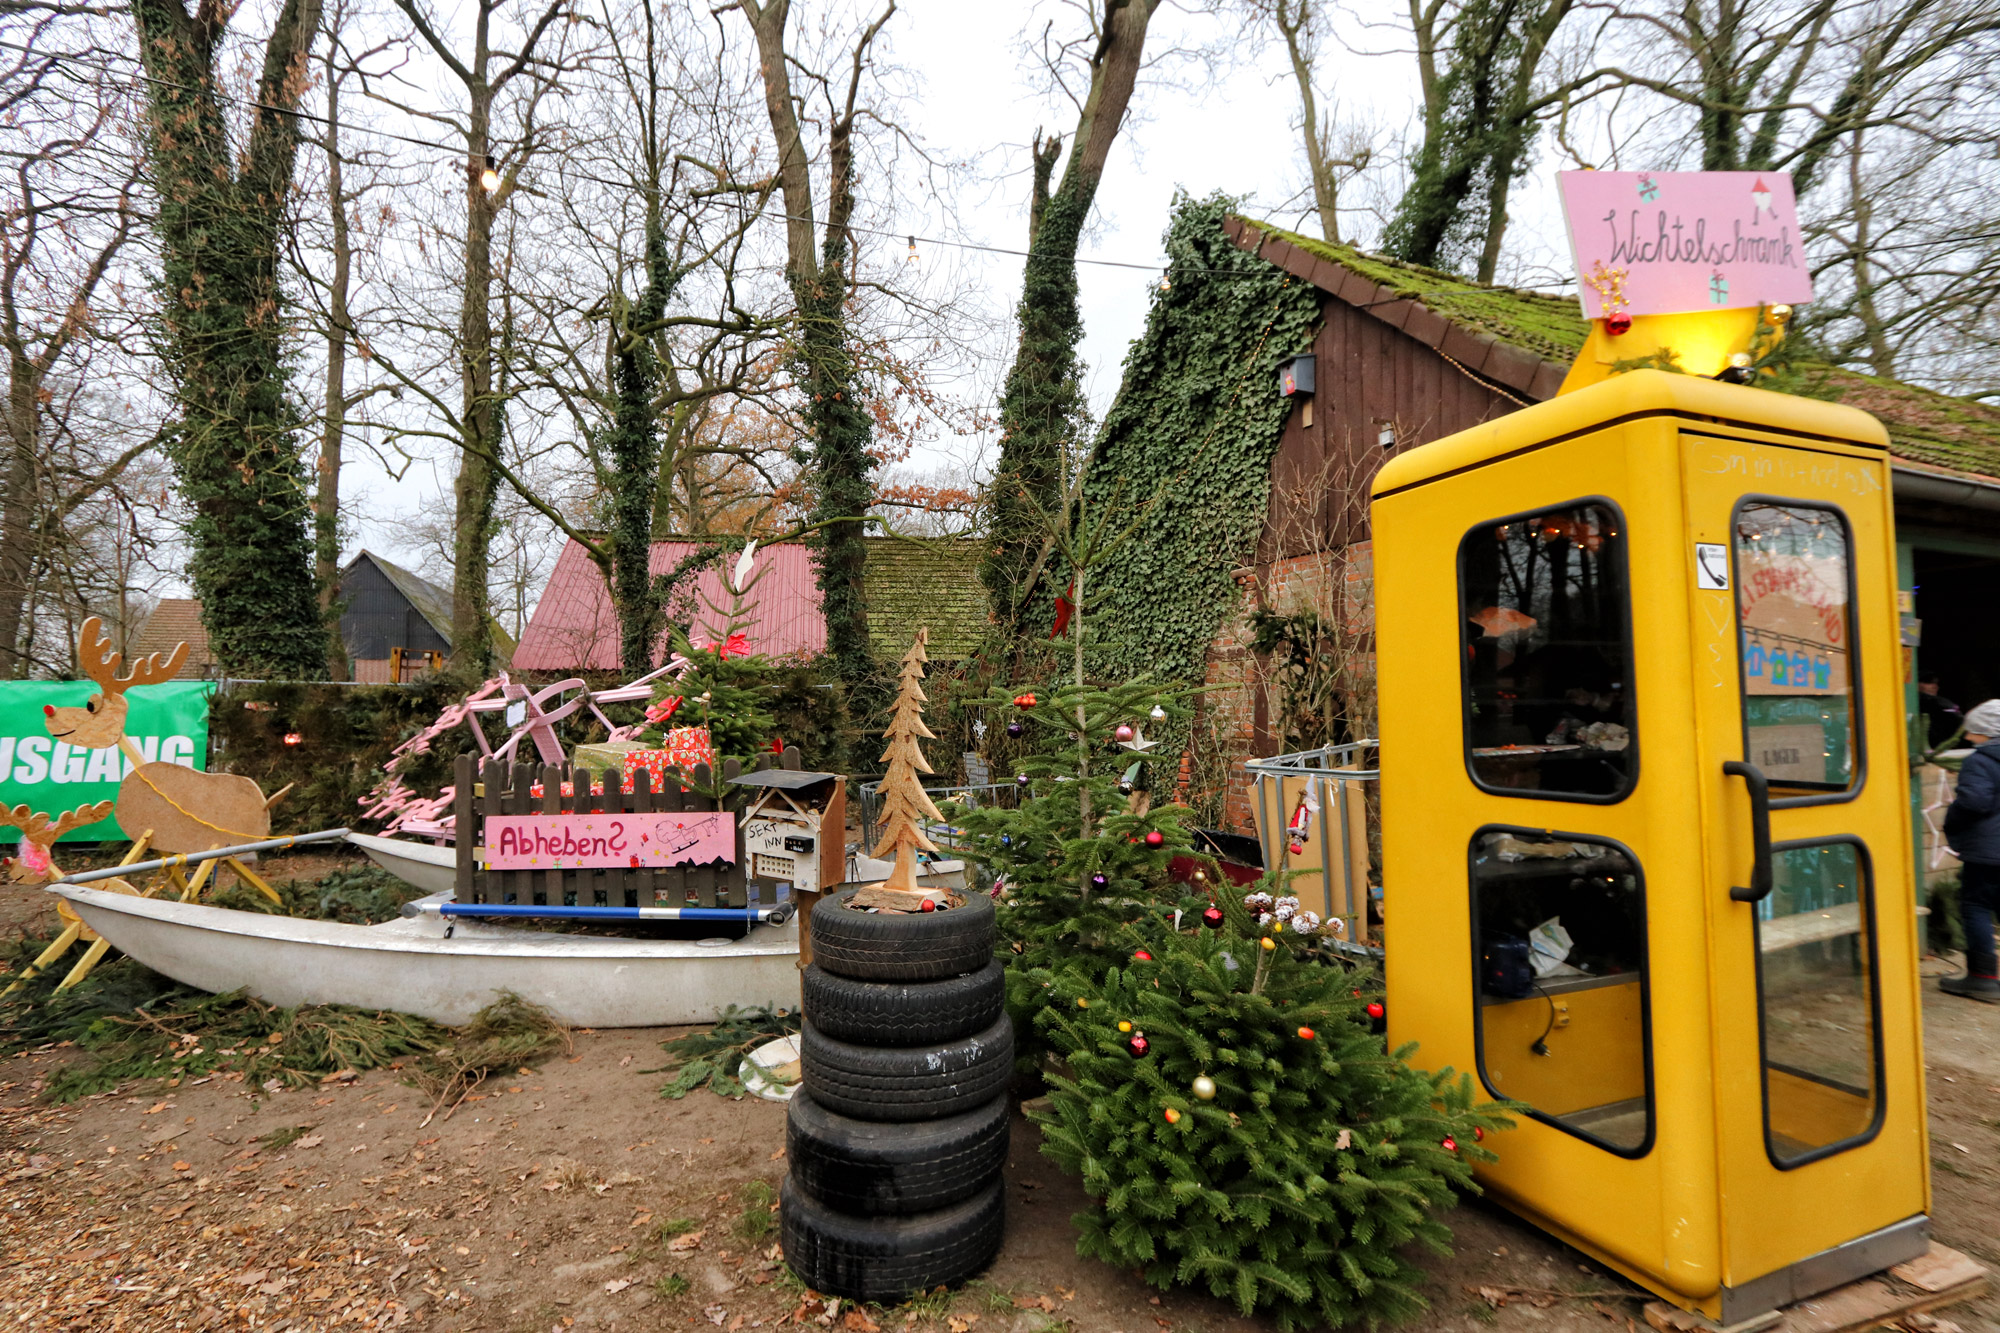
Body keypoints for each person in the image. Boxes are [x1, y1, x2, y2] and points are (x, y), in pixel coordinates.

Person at [1941, 699, 2000, 1002]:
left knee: (1976, 906)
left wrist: (1952, 820)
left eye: (1973, 730)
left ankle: (1983, 978)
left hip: (1988, 852)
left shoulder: (1979, 761)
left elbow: (1975, 802)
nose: (1966, 736)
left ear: (1986, 731)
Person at [1919, 673, 1964, 749]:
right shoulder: (1938, 702)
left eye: (1936, 683)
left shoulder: (1941, 702)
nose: (1935, 686)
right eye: (1928, 682)